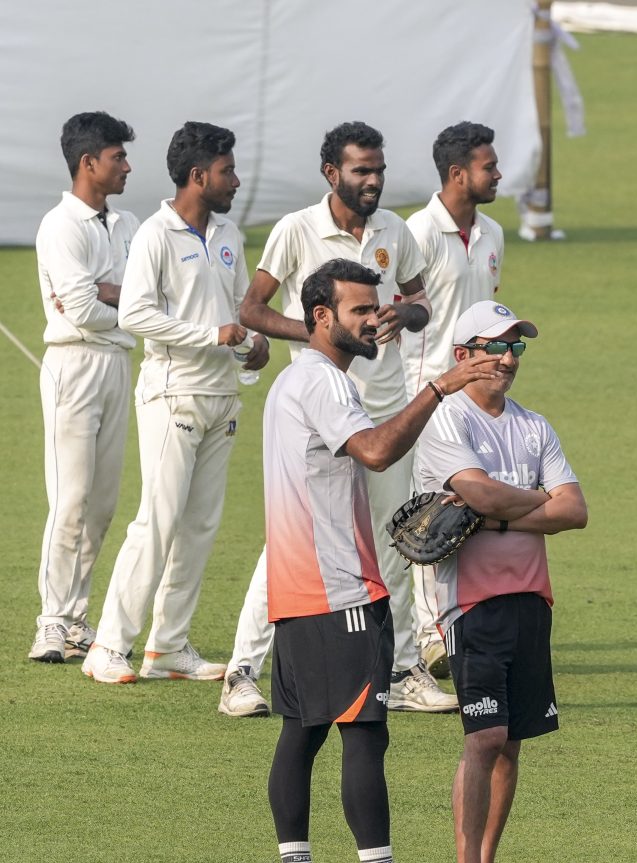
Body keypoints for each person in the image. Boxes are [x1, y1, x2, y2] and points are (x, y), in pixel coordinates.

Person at [265, 259, 504, 863]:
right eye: (360, 309)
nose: (376, 318)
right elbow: (372, 451)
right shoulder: (324, 381)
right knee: (365, 733)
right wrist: (440, 386)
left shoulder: (292, 382)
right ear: (321, 317)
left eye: (376, 307)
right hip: (339, 588)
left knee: (302, 730)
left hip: (296, 587)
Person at [219, 121, 457, 719]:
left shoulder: (395, 231)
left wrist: (405, 316)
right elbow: (251, 307)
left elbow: (422, 300)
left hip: (381, 409)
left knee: (396, 537)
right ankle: (242, 672)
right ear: (332, 173)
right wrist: (327, 336)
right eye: (361, 171)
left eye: (378, 169)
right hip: (318, 412)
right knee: (291, 543)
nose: (373, 180)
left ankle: (403, 671)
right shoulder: (297, 229)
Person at [417, 299, 588, 863]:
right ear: (462, 356)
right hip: (473, 603)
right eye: (496, 346)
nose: (508, 359)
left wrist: (496, 514)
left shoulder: (534, 425)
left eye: (516, 347)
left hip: (531, 600)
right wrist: (529, 502)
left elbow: (575, 510)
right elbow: (478, 490)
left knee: (512, 742)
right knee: (483, 736)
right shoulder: (445, 423)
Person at [81, 122, 269, 684]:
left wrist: (252, 348)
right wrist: (212, 336)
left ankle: (168, 647)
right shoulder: (156, 234)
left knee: (200, 525)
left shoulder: (230, 232)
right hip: (172, 395)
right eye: (226, 171)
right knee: (156, 523)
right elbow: (136, 314)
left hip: (222, 396)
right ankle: (108, 647)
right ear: (197, 175)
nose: (235, 180)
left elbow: (240, 312)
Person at [30, 112, 139, 664]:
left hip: (117, 364)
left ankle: (76, 618)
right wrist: (125, 302)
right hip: (72, 363)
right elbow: (79, 309)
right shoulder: (60, 224)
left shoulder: (128, 224)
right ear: (87, 162)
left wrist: (110, 294)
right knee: (70, 498)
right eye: (117, 157)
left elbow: (148, 297)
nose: (126, 166)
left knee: (102, 503)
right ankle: (50, 620)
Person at [403, 121, 505, 681]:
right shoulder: (414, 233)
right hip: (427, 396)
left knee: (463, 515)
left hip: (476, 400)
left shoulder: (491, 233)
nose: (498, 174)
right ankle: (429, 635)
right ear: (457, 173)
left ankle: (447, 626)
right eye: (490, 166)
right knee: (430, 515)